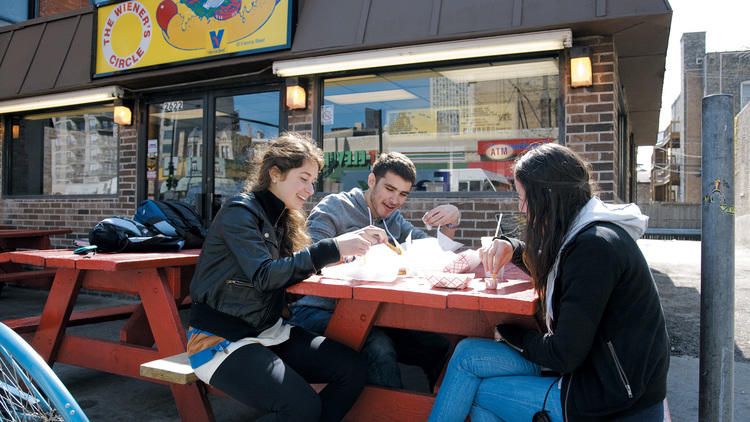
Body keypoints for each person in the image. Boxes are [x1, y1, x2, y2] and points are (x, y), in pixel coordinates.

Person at [428, 143, 669, 422]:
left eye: (522, 197)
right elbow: (555, 263)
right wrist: (513, 247)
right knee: (467, 353)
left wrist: (506, 333)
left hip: (613, 399)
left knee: (481, 393)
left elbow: (563, 354)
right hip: (599, 370)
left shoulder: (594, 248)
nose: (521, 208)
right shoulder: (589, 231)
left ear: (547, 197)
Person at [187, 133, 387, 421]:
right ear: (275, 173)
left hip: (270, 332)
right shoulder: (239, 212)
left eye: (313, 181)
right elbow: (264, 275)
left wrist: (343, 249)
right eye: (303, 178)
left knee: (352, 369)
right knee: (302, 406)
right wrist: (330, 249)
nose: (310, 189)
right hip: (221, 340)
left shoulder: (284, 219)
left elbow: (294, 268)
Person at [287, 151, 459, 390]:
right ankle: (388, 413)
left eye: (403, 194)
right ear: (371, 181)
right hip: (314, 309)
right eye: (389, 189)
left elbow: (434, 250)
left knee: (438, 345)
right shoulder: (335, 206)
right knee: (379, 347)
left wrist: (449, 222)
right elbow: (306, 258)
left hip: (374, 312)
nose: (395, 200)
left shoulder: (393, 219)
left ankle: (442, 407)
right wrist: (351, 246)